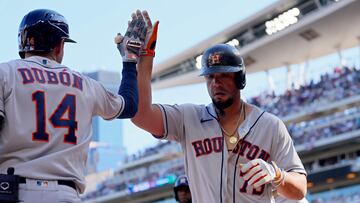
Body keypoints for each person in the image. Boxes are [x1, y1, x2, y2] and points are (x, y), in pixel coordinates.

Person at [131, 11, 307, 203]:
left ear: (240, 78)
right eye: (210, 77)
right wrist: (144, 58)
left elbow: (300, 190)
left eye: (223, 75)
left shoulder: (271, 126)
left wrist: (277, 175)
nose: (216, 83)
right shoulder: (188, 118)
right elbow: (140, 115)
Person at [0, 8, 145, 203]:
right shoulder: (85, 83)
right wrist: (129, 60)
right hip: (66, 195)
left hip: (15, 190)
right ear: (59, 46)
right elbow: (129, 106)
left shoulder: (5, 73)